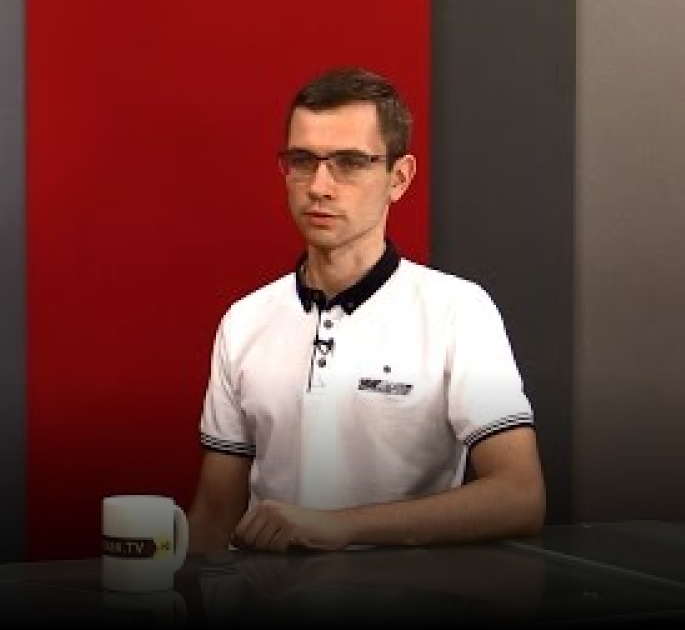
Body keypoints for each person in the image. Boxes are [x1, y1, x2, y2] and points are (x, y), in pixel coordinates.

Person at [187, 66, 546, 553]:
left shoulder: (457, 311)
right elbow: (215, 514)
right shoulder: (246, 320)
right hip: (262, 592)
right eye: (302, 160)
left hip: (401, 592)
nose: (319, 186)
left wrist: (338, 528)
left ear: (399, 177)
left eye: (350, 162)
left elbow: (519, 496)